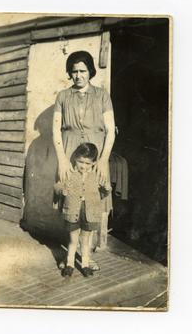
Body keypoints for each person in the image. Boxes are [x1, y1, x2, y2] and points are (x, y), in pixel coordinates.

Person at [53, 50, 116, 267]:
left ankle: (86, 256)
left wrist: (104, 160)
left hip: (95, 155)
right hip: (70, 153)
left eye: (83, 71)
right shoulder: (62, 96)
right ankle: (70, 256)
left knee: (92, 200)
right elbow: (55, 130)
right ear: (70, 74)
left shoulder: (102, 96)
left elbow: (110, 130)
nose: (78, 75)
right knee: (71, 203)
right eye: (74, 71)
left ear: (90, 72)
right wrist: (62, 160)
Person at [54, 143, 110, 277]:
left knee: (85, 240)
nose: (83, 166)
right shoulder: (69, 174)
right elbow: (57, 186)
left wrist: (107, 188)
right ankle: (70, 264)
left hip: (89, 213)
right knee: (73, 240)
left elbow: (103, 193)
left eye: (87, 163)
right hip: (73, 211)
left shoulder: (97, 176)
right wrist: (62, 190)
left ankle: (85, 265)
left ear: (94, 163)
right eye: (80, 161)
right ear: (75, 159)